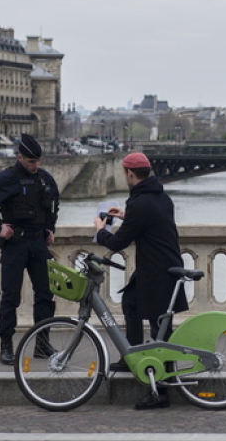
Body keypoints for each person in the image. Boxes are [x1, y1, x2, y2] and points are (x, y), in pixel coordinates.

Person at [91, 151, 188, 410]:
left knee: (160, 333)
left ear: (130, 174)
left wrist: (100, 232)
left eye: (125, 174)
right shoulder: (160, 197)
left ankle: (161, 393)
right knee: (130, 302)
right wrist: (125, 216)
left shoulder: (140, 203)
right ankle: (130, 355)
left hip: (158, 273)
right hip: (160, 266)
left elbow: (118, 242)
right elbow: (149, 221)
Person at [0, 133, 60, 365]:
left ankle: (42, 343)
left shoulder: (45, 179)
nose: (35, 165)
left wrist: (50, 228)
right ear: (20, 157)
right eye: (31, 161)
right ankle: (6, 346)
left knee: (45, 296)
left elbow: (53, 205)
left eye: (38, 161)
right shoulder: (6, 179)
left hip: (38, 243)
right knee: (11, 297)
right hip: (16, 244)